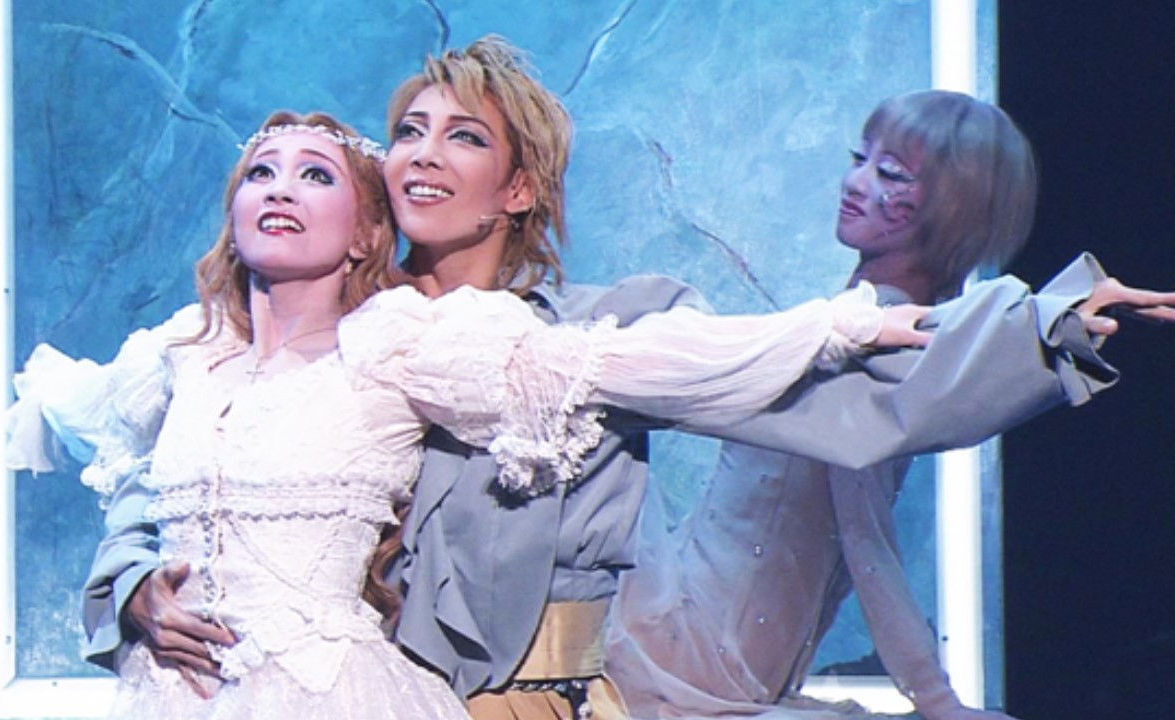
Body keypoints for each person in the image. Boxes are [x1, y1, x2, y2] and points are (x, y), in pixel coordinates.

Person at [82, 38, 1173, 720]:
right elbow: (177, 474)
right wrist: (132, 591)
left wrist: (1033, 330)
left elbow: (832, 408)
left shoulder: (608, 329)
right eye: (407, 132)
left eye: (463, 138)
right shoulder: (325, 325)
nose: (421, 153)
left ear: (518, 189)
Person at [9, 108, 925, 718]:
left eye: (315, 175)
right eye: (261, 173)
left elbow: (616, 364)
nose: (280, 189)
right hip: (171, 696)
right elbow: (82, 427)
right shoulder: (181, 352)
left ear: (366, 233)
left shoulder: (396, 342)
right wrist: (134, 587)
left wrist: (837, 327)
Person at [602, 91, 1175, 720]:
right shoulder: (854, 325)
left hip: (702, 660)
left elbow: (866, 541)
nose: (855, 183)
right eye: (860, 159)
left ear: (952, 209)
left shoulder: (885, 345)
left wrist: (937, 700)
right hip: (690, 628)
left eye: (891, 174)